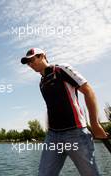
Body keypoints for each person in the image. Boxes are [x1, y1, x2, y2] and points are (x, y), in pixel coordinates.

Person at [20, 48, 108, 176]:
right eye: (28, 63)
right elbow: (51, 108)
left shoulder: (61, 69)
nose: (31, 64)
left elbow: (88, 91)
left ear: (43, 56)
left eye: (32, 59)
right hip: (53, 137)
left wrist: (95, 124)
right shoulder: (42, 83)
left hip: (75, 133)